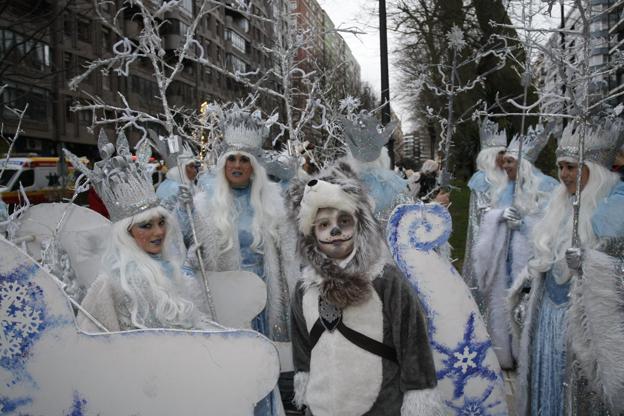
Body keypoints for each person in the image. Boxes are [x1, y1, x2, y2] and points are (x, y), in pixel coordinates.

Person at [285, 161, 444, 416]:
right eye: (324, 225)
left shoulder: (386, 280)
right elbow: (303, 345)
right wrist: (304, 381)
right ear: (311, 234)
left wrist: (418, 390)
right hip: (323, 405)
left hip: (381, 405)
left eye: (344, 221)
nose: (335, 230)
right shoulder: (305, 287)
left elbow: (413, 343)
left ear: (359, 225)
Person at [510, 120, 624, 416]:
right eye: (561, 167)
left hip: (585, 328)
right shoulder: (559, 205)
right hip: (548, 318)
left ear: (594, 171)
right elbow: (542, 257)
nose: (563, 175)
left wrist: (591, 263)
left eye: (572, 167)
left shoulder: (614, 211)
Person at [190, 106, 298, 415]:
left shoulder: (274, 203)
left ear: (254, 166)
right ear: (224, 163)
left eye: (244, 160)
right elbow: (183, 255)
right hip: (227, 305)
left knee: (263, 371)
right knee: (232, 372)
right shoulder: (203, 205)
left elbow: (291, 254)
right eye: (232, 159)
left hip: (265, 303)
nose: (237, 165)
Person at [63, 131, 213, 332]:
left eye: (161, 222)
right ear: (126, 233)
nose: (159, 232)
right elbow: (93, 342)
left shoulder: (173, 269)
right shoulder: (111, 284)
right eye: (146, 226)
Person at [473, 124, 558, 370]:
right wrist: (499, 217)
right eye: (505, 161)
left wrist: (524, 225)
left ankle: (526, 357)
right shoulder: (503, 187)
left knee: (525, 308)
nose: (505, 166)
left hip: (529, 263)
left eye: (511, 162)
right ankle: (503, 354)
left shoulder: (546, 186)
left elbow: (552, 226)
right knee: (500, 304)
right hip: (503, 259)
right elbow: (488, 218)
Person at [462, 119, 508, 297]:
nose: (504, 158)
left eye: (505, 153)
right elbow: (482, 211)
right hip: (488, 238)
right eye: (500, 153)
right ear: (490, 155)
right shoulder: (482, 179)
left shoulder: (508, 177)